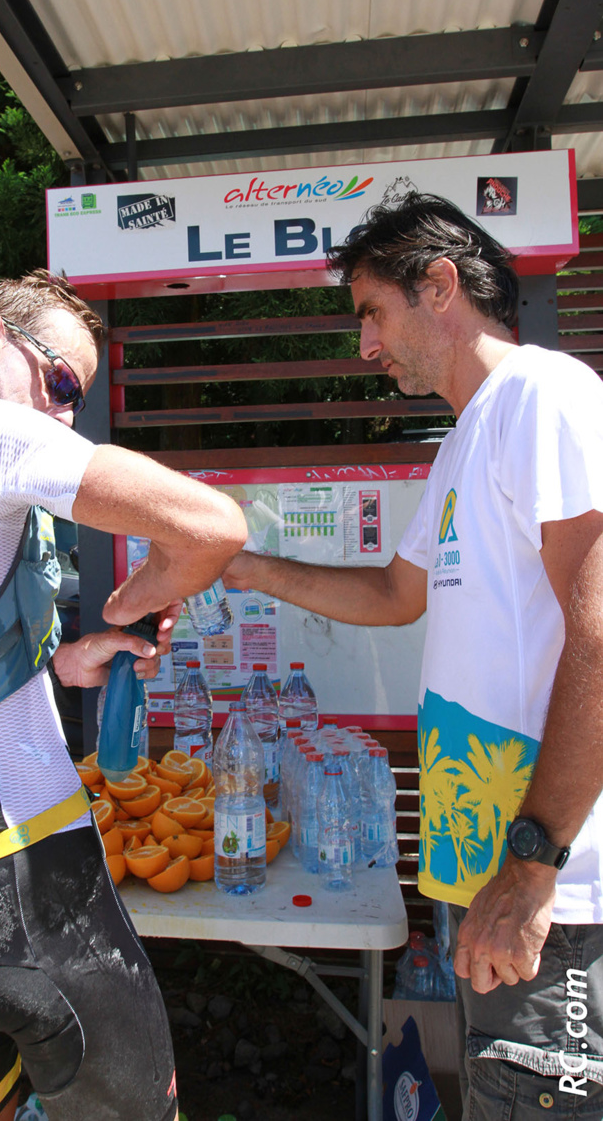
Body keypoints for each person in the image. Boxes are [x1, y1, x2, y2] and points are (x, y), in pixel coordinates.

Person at [224, 194, 603, 1118]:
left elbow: (600, 632)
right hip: (497, 880)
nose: (365, 343)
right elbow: (396, 597)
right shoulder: (464, 438)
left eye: (371, 311)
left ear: (441, 286)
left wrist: (534, 863)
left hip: (559, 896)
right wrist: (234, 563)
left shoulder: (545, 395)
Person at [0, 270, 247, 1121]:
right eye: (62, 382)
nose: (66, 414)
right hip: (28, 889)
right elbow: (215, 526)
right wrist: (138, 598)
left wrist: (70, 661)